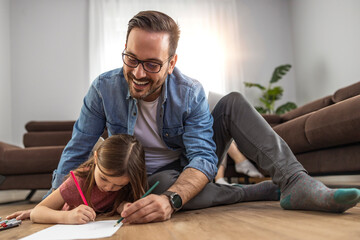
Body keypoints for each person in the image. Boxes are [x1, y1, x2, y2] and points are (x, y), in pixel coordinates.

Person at [8, 10, 360, 223]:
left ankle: (296, 182)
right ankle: (267, 191)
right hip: (144, 180)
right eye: (131, 59)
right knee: (194, 201)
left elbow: (204, 157)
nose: (139, 73)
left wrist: (172, 199)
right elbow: (79, 147)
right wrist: (51, 205)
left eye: (152, 64)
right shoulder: (103, 89)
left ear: (172, 63)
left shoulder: (189, 91)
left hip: (184, 166)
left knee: (234, 102)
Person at [30, 134, 147, 224]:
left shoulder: (129, 182)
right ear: (95, 158)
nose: (108, 188)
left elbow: (114, 203)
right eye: (104, 178)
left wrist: (123, 207)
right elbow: (36, 212)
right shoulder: (79, 182)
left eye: (119, 185)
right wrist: (68, 216)